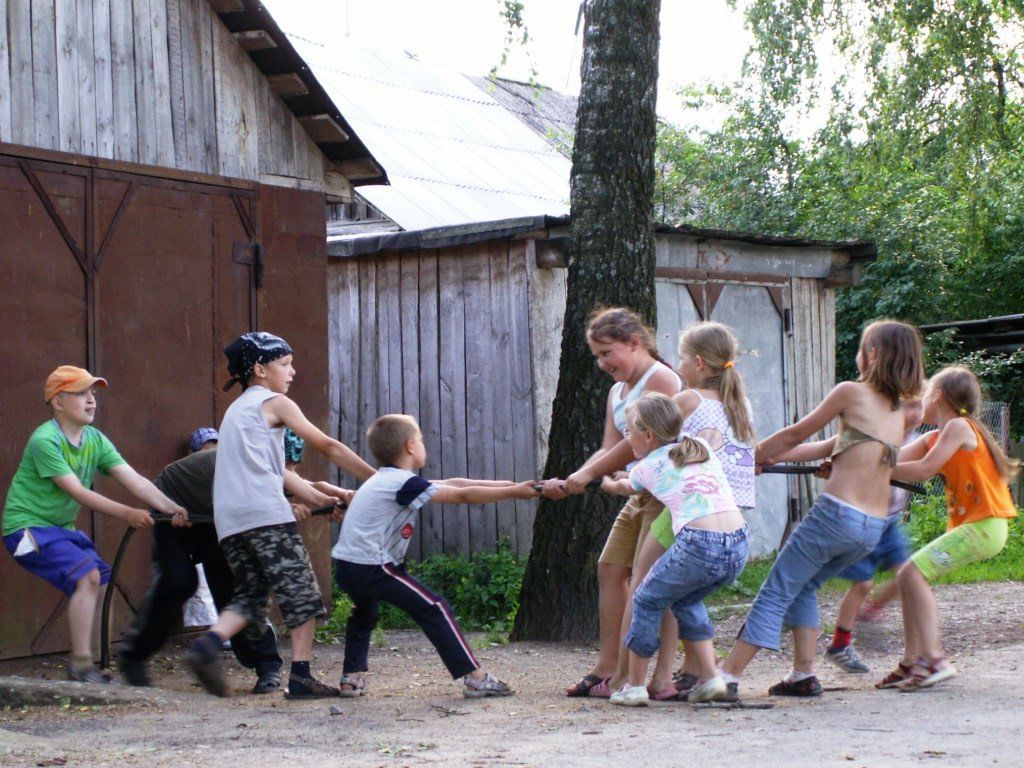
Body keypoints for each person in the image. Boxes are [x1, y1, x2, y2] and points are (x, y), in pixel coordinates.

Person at [718, 319, 924, 700]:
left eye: (862, 350)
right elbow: (826, 446)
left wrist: (750, 456)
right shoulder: (897, 412)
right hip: (871, 528)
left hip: (836, 515)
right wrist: (762, 460)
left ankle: (727, 676)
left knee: (777, 588)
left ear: (873, 355)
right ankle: (802, 674)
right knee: (805, 584)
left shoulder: (851, 392)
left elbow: (798, 433)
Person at [186, 332, 376, 699]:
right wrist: (378, 478)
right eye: (284, 364)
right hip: (266, 515)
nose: (292, 372)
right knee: (303, 594)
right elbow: (328, 445)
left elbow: (276, 473)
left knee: (253, 595)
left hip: (230, 523)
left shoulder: (234, 413)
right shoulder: (274, 402)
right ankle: (301, 675)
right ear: (259, 369)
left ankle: (207, 645)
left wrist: (324, 499)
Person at [332, 413, 539, 698]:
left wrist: (514, 487)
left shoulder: (389, 480)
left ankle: (350, 678)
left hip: (347, 566)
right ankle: (476, 678)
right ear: (410, 446)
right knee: (434, 607)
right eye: (421, 439)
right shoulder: (402, 484)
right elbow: (460, 496)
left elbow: (456, 483)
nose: (423, 444)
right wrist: (515, 492)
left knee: (364, 613)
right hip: (373, 566)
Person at [2, 366, 186, 683]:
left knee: (101, 579)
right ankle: (81, 666)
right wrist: (128, 513)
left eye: (93, 394)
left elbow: (136, 481)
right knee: (86, 576)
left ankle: (98, 664)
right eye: (82, 394)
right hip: (26, 529)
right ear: (58, 402)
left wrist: (171, 508)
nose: (91, 401)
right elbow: (76, 491)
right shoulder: (45, 440)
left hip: (60, 530)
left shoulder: (95, 440)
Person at [117, 443, 349, 693]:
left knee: (233, 585)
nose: (290, 474)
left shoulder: (271, 470)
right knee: (178, 582)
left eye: (292, 470)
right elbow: (251, 502)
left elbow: (312, 486)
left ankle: (266, 665)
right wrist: (284, 508)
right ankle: (134, 656)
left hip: (217, 517)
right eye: (287, 470)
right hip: (174, 507)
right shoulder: (239, 465)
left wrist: (342, 496)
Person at [542, 307, 680, 698]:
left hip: (664, 496)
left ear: (634, 343)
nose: (602, 364)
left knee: (653, 581)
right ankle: (607, 665)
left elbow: (630, 444)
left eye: (608, 353)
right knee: (609, 569)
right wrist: (573, 479)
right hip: (636, 495)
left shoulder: (662, 378)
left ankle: (654, 675)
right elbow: (608, 448)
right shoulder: (617, 391)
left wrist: (585, 476)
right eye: (597, 356)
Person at [631, 321, 757, 699]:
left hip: (689, 509)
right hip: (730, 514)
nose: (679, 364)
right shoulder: (741, 403)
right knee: (685, 594)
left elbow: (649, 433)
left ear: (698, 363)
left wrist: (608, 473)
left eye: (682, 357)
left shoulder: (689, 400)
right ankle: (698, 674)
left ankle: (644, 678)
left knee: (646, 585)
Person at [602, 394, 748, 706]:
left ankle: (635, 685)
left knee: (645, 598)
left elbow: (627, 487)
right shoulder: (699, 447)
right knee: (686, 599)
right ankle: (711, 679)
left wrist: (608, 482)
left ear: (649, 436)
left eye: (629, 433)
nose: (628, 439)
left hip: (700, 543)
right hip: (738, 543)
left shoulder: (645, 467)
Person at [882, 366, 1019, 691]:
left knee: (911, 574)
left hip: (984, 527)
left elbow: (923, 470)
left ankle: (935, 659)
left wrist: (877, 472)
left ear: (938, 397)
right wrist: (849, 466)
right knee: (909, 576)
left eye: (927, 392)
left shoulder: (958, 426)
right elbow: (892, 460)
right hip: (982, 528)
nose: (922, 400)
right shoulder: (938, 435)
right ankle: (911, 661)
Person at [819, 398, 925, 674]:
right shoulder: (878, 432)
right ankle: (840, 644)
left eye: (919, 406)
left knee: (911, 574)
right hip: (865, 519)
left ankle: (872, 611)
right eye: (909, 405)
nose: (915, 413)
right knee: (862, 584)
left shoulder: (914, 438)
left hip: (889, 523)